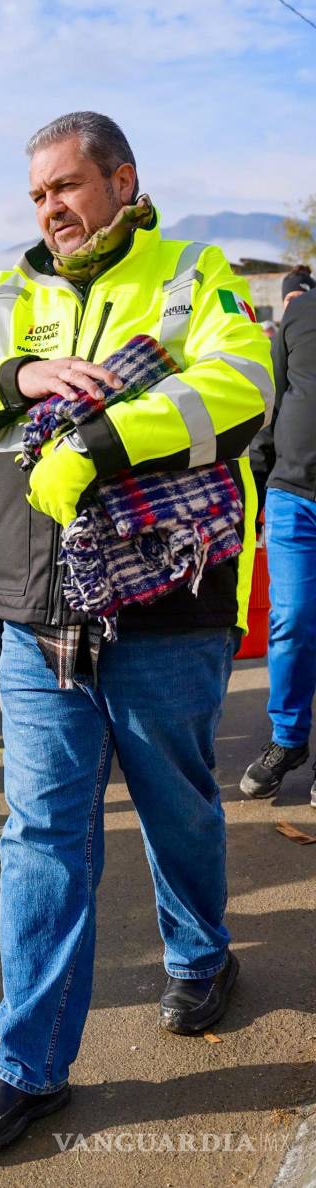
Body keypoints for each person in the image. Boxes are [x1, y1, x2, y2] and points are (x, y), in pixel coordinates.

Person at [0, 111, 273, 1154]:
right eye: (37, 195)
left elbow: (242, 384)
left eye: (67, 187)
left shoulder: (191, 267)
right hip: (39, 612)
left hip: (168, 604)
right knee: (40, 837)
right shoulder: (13, 292)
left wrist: (107, 442)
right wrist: (17, 378)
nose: (51, 210)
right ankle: (28, 1066)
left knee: (179, 807)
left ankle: (202, 956)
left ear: (123, 180)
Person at [241, 287, 316, 807]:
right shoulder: (301, 311)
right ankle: (288, 739)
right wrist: (261, 481)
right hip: (293, 496)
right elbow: (272, 394)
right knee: (291, 620)